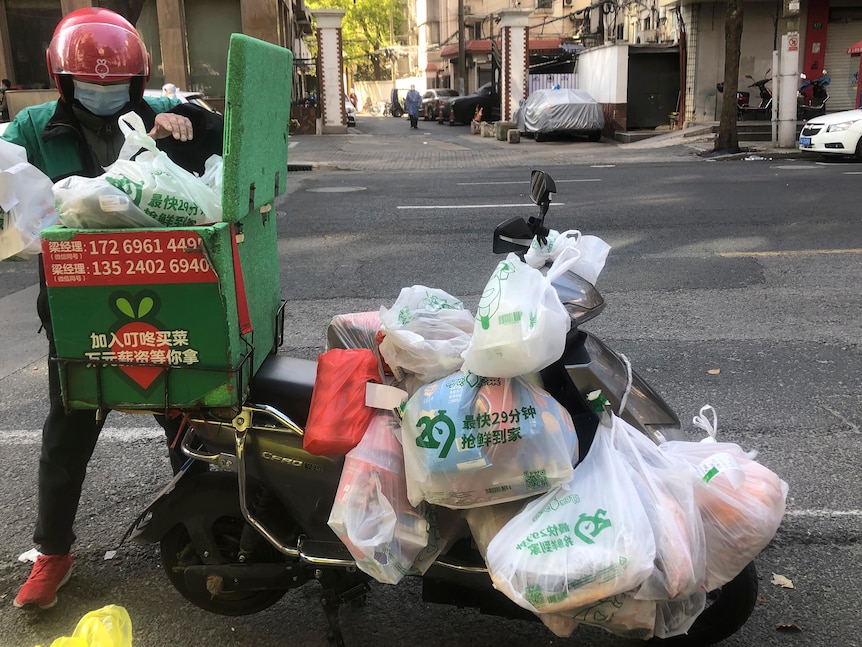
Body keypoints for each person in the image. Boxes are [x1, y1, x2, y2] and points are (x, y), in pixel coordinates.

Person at [1, 7, 223, 611]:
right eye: (89, 85)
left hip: (164, 303)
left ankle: (209, 524)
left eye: (118, 85)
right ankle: (53, 554)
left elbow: (227, 141)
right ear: (63, 81)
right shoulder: (32, 128)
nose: (104, 94)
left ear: (137, 80)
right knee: (68, 430)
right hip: (75, 309)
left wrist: (194, 122)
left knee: (187, 416)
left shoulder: (161, 113)